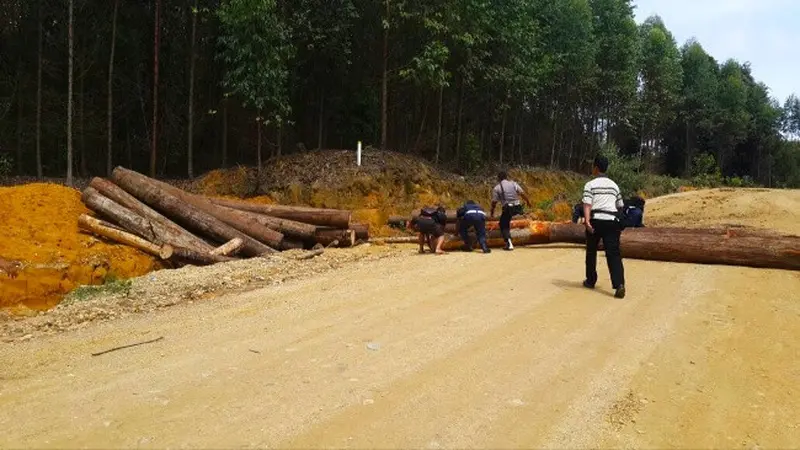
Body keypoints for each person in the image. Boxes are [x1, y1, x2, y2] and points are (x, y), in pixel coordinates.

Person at [582, 155, 626, 299]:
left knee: (591, 251)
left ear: (595, 168)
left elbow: (587, 204)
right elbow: (620, 206)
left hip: (596, 219)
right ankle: (619, 284)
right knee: (613, 253)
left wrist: (587, 221)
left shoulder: (590, 185)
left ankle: (590, 280)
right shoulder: (614, 185)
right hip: (611, 220)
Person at [490, 171, 531, 251]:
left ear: (498, 178)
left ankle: (509, 243)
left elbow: (494, 202)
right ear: (506, 177)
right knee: (509, 220)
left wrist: (492, 211)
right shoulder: (514, 183)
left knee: (503, 224)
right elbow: (522, 193)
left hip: (508, 208)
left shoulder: (497, 188)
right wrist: (528, 202)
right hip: (517, 207)